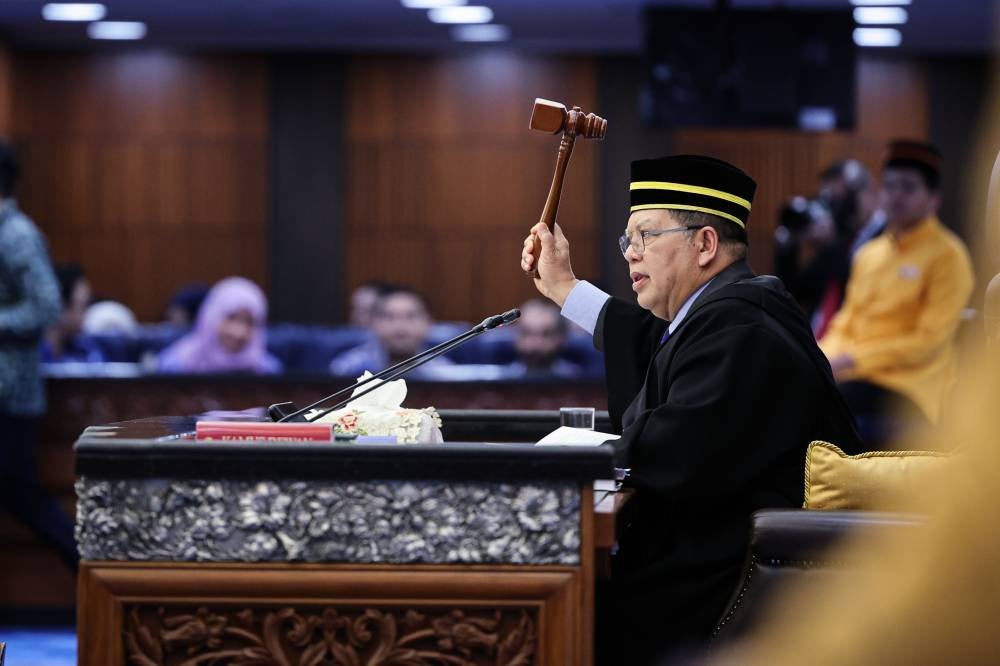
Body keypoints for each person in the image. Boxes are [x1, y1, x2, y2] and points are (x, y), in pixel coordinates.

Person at [520, 154, 862, 664]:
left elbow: (676, 441)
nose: (630, 256)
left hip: (736, 574)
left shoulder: (744, 326)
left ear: (704, 244)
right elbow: (657, 344)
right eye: (627, 241)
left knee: (557, 611)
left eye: (644, 238)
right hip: (719, 549)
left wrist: (572, 457)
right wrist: (565, 288)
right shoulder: (724, 313)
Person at [820, 140, 974, 447]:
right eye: (889, 186)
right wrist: (818, 358)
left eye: (908, 187)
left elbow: (927, 343)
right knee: (788, 391)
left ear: (933, 199)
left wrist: (852, 361)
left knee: (818, 412)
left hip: (907, 389)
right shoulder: (869, 254)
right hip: (853, 376)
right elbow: (845, 321)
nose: (896, 195)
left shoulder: (949, 255)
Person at [0, 139, 79, 571]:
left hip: (9, 392)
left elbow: (46, 306)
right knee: (21, 494)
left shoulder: (16, 234)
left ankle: (96, 577)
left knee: (24, 495)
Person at [158, 276, 282, 374]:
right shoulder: (174, 366)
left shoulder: (269, 371)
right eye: (231, 318)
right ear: (210, 317)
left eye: (250, 322)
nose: (239, 332)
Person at [330, 285, 452, 377]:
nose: (400, 327)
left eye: (411, 316)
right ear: (373, 323)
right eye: (389, 316)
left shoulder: (444, 372)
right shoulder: (346, 368)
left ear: (429, 323)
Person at [41, 263, 104, 363]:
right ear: (61, 306)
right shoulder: (32, 356)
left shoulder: (85, 350)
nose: (87, 314)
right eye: (83, 306)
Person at [506, 297, 581, 377]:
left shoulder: (580, 380)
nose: (536, 343)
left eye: (546, 334)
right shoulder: (500, 381)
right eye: (527, 333)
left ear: (561, 337)